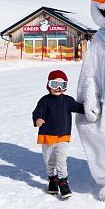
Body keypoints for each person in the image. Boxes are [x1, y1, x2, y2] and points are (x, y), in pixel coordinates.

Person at [32, 70, 85, 199]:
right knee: (49, 161)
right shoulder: (44, 101)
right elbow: (36, 112)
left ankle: (63, 182)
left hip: (62, 136)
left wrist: (91, 109)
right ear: (48, 85)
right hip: (47, 136)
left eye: (62, 85)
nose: (58, 88)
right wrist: (37, 119)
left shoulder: (68, 101)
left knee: (61, 160)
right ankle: (52, 180)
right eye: (55, 84)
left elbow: (79, 108)